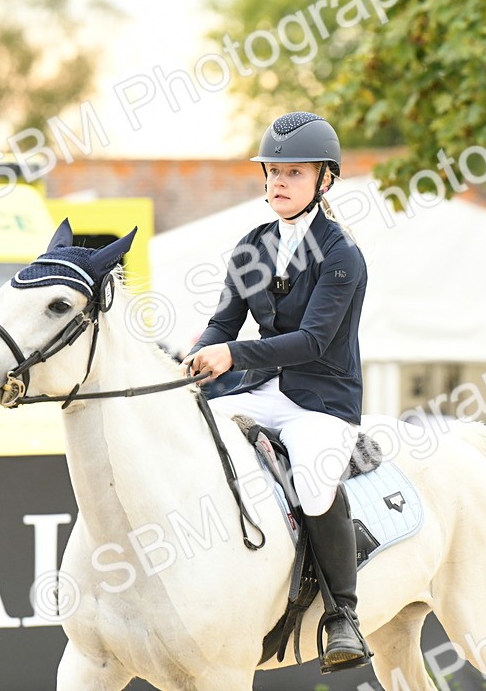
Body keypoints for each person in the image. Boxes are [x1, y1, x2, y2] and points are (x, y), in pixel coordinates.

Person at [181, 111, 370, 671]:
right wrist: (197, 356)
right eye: (272, 172)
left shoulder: (342, 254)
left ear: (324, 181)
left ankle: (344, 614)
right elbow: (223, 324)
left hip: (324, 399)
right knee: (197, 432)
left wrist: (233, 355)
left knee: (312, 483)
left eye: (293, 173)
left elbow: (313, 342)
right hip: (264, 389)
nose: (278, 183)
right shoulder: (252, 246)